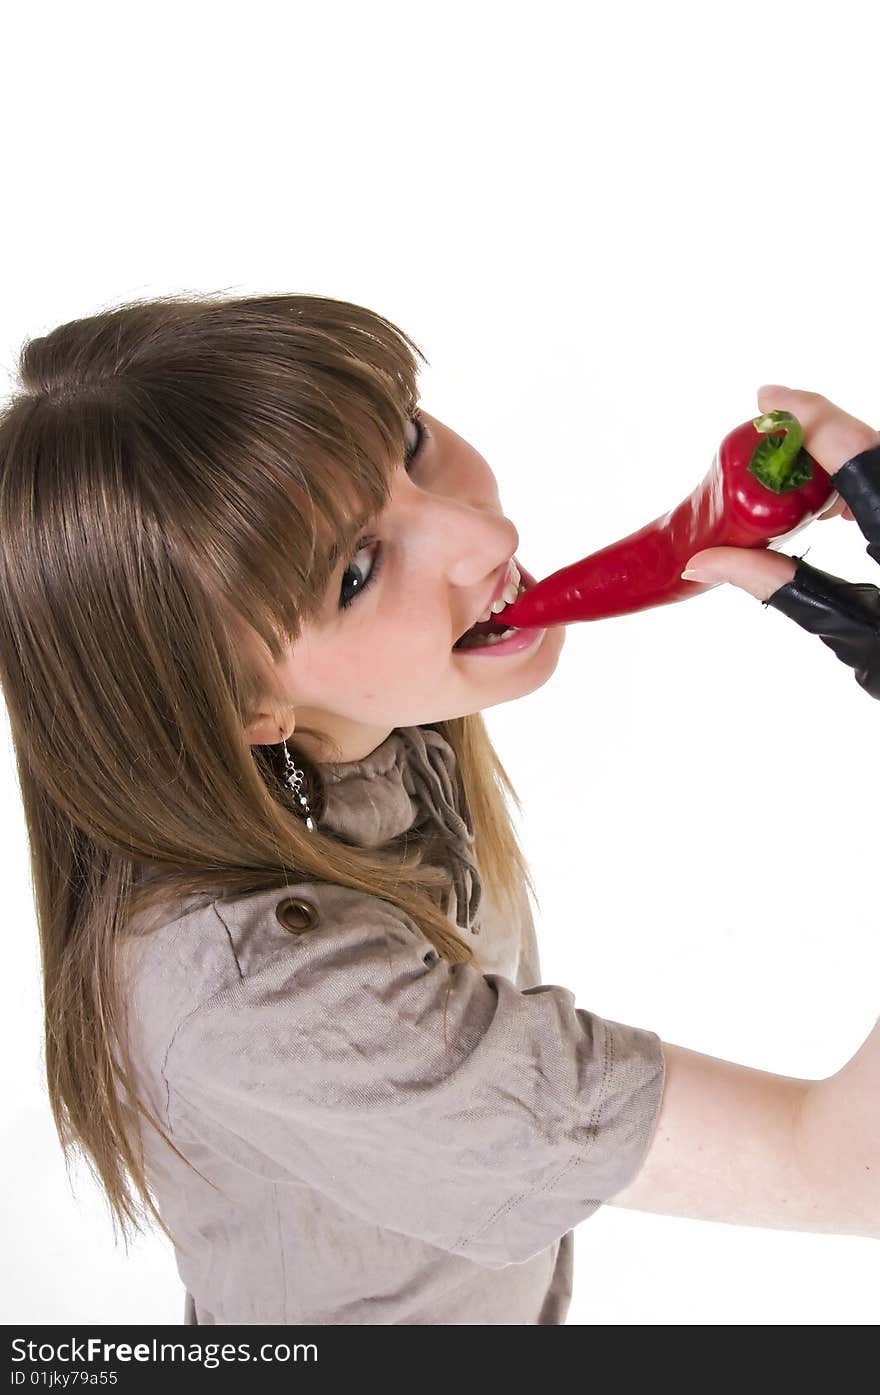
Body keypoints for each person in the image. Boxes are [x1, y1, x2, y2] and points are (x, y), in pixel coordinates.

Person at [0, 291, 876, 1328]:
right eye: (356, 573)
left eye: (410, 441)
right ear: (243, 708)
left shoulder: (361, 721)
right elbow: (845, 1173)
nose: (485, 532)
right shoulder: (274, 1006)